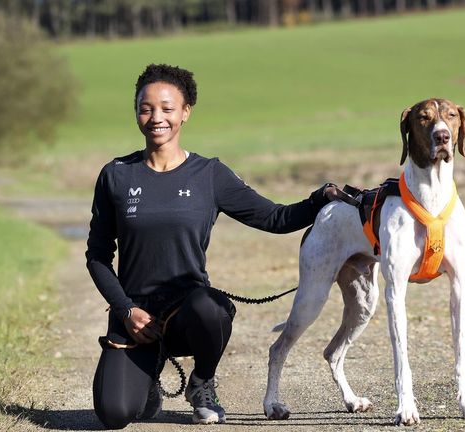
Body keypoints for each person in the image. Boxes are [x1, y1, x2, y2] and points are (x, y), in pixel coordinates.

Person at [86, 63, 337, 429]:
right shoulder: (116, 175)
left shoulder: (209, 174)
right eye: (146, 108)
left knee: (213, 309)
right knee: (114, 414)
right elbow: (97, 256)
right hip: (135, 318)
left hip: (188, 312)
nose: (157, 117)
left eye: (168, 108)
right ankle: (148, 377)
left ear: (185, 112)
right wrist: (125, 310)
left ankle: (201, 382)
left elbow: (275, 218)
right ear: (137, 111)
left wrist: (321, 198)